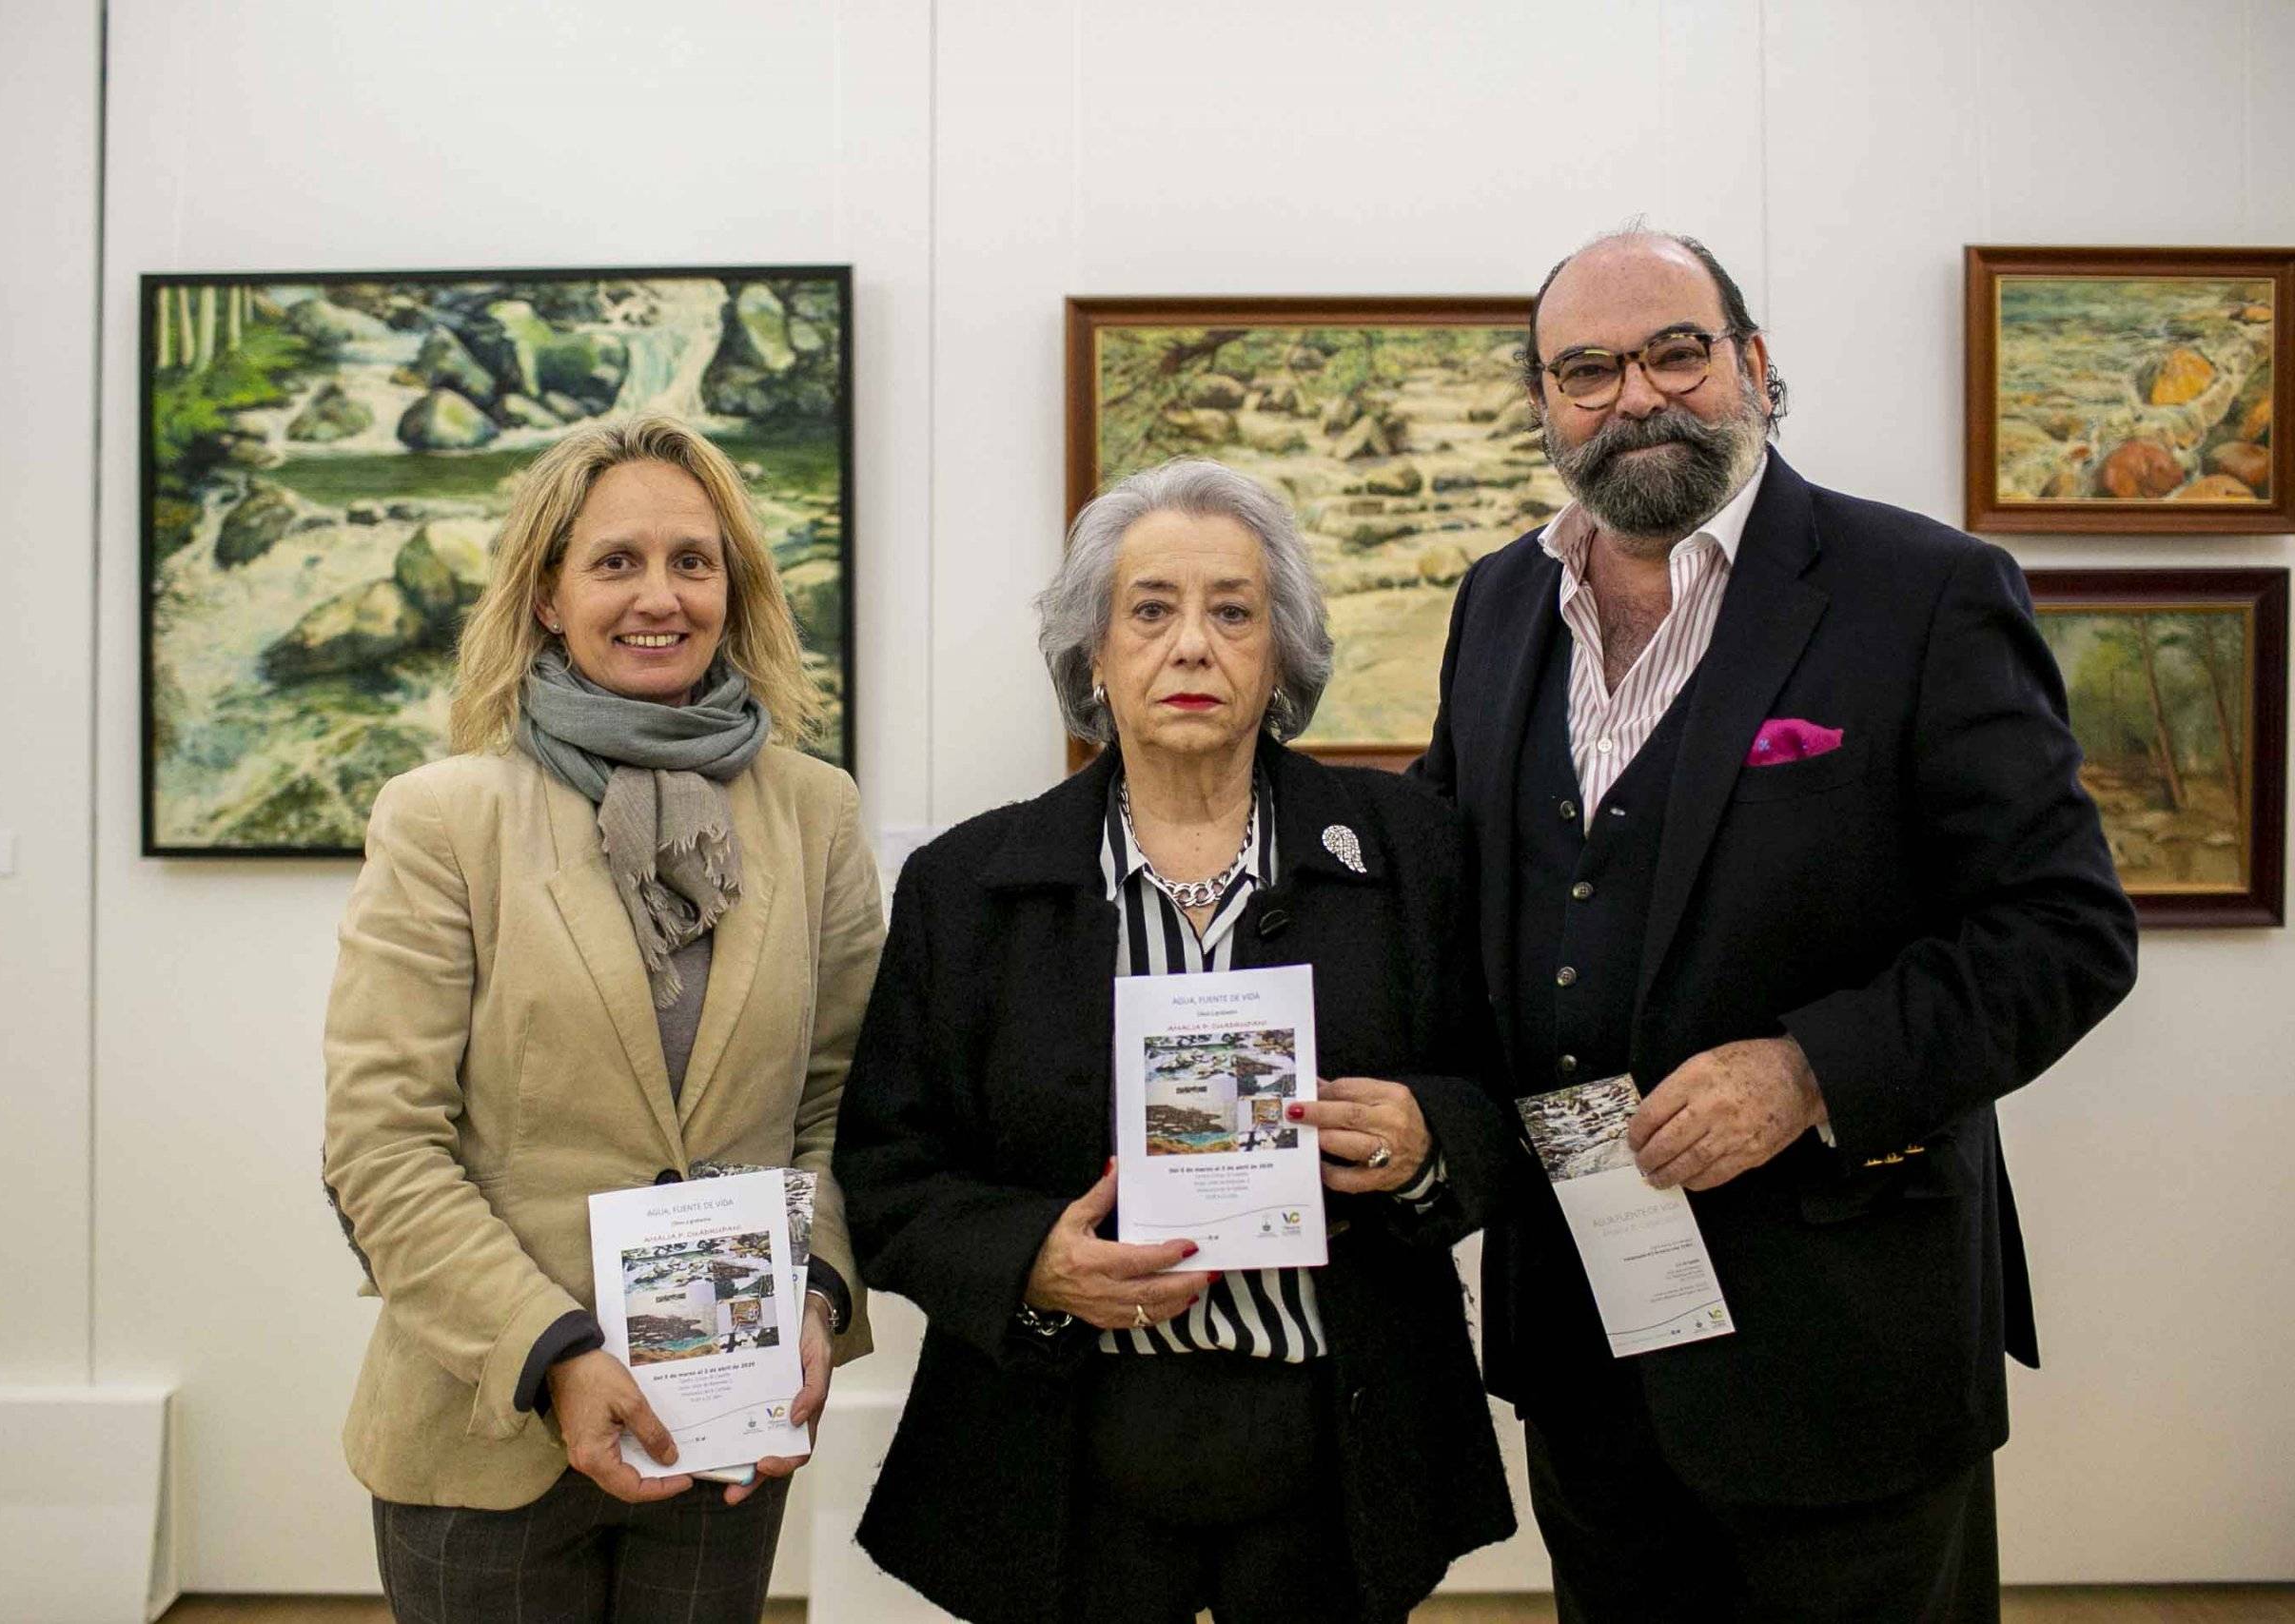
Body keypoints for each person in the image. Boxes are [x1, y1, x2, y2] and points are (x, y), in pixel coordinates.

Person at [1412, 227, 2138, 1621]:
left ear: (1753, 364)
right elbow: (1455, 902)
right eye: (1588, 369)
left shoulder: (1921, 590)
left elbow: (2065, 929)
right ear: (1545, 403)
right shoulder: (1499, 600)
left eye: (1676, 351)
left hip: (1848, 1341)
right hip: (1585, 1326)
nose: (1637, 396)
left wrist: (1811, 1069)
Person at [834, 459, 1523, 1624]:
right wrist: (1030, 1263)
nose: (1192, 646)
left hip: (1341, 1440)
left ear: (1282, 655)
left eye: (1233, 612)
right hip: (1061, 1451)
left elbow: (1508, 1098)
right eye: (1150, 611)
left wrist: (1427, 1138)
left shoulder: (1409, 851)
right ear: (1092, 655)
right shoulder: (966, 885)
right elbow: (886, 1173)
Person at [321, 414, 884, 1622]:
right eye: (615, 562)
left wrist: (820, 1299)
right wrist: (557, 1354)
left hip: (723, 1420)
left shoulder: (814, 811)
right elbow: (382, 1146)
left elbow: (843, 1100)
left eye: (692, 561)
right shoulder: (444, 821)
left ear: (732, 590)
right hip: (486, 1431)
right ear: (546, 595)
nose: (659, 597)